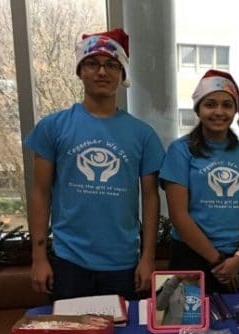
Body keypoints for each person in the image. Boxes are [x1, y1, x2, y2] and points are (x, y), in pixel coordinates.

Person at [25, 28, 165, 301]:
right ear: (80, 71)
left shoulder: (143, 134)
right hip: (68, 262)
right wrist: (39, 258)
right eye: (93, 63)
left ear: (122, 74)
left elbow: (150, 198)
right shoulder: (52, 127)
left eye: (112, 65)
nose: (102, 72)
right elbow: (40, 193)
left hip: (123, 263)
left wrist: (148, 258)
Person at [160, 69, 239, 293]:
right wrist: (218, 261)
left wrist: (238, 257)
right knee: (187, 325)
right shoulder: (180, 150)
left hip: (238, 258)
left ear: (235, 110)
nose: (219, 112)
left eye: (227, 105)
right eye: (210, 104)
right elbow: (179, 216)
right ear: (198, 109)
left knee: (236, 324)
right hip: (192, 256)